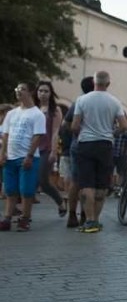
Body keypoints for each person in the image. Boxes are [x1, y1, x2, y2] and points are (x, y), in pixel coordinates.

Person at [71, 71, 127, 233]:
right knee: (101, 184)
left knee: (86, 184)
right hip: (105, 145)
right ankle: (96, 220)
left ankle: (89, 220)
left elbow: (75, 125)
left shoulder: (82, 100)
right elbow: (124, 126)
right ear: (108, 84)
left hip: (86, 144)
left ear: (94, 82)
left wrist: (81, 133)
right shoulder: (115, 102)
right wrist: (112, 133)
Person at [0, 82, 46, 232]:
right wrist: (3, 153)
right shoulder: (11, 113)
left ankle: (25, 219)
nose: (19, 92)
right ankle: (7, 218)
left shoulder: (37, 114)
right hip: (11, 157)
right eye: (17, 89)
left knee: (26, 190)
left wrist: (30, 156)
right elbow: (6, 134)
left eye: (22, 89)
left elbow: (37, 136)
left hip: (27, 157)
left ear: (30, 92)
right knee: (10, 190)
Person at [61, 76, 95, 228]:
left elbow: (65, 124)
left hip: (77, 145)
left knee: (76, 181)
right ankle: (84, 215)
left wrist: (74, 135)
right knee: (88, 182)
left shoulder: (77, 102)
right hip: (92, 145)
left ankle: (72, 214)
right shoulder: (98, 102)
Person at [35, 81, 67, 216]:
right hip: (30, 147)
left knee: (43, 181)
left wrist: (53, 151)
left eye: (46, 91)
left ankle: (60, 201)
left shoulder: (55, 110)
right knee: (30, 181)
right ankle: (23, 213)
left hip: (46, 148)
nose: (43, 93)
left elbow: (55, 131)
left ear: (50, 93)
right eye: (40, 91)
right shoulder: (33, 109)